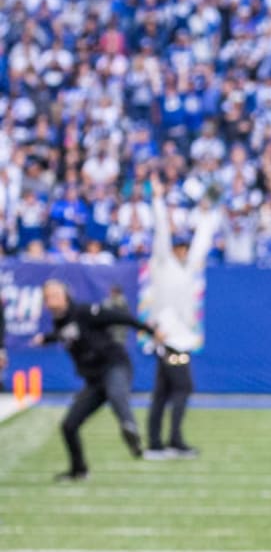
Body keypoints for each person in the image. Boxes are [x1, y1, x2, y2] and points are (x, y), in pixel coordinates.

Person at [31, 280, 156, 481]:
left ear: (66, 295)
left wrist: (149, 331)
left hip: (114, 365)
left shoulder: (85, 311)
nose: (52, 300)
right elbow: (66, 333)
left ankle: (129, 428)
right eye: (48, 297)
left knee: (116, 393)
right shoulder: (60, 322)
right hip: (94, 380)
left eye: (55, 295)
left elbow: (120, 317)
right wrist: (46, 339)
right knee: (69, 426)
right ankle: (79, 470)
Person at [142, 188, 220, 458]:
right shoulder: (162, 263)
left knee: (163, 391)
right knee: (182, 388)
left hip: (179, 339)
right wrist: (157, 200)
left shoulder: (189, 267)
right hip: (168, 340)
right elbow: (161, 233)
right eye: (179, 247)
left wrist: (208, 215)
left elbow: (202, 243)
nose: (184, 251)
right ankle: (171, 441)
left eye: (185, 247)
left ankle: (156, 444)